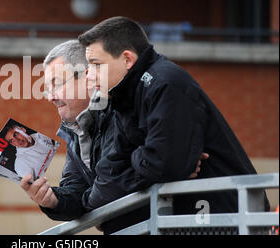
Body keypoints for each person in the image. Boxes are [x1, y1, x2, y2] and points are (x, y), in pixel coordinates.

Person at [77, 16, 269, 217]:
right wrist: (146, 156)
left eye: (96, 64)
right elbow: (109, 176)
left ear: (127, 59)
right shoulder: (126, 96)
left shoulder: (166, 83)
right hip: (192, 218)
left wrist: (139, 158)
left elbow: (164, 165)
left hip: (225, 217)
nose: (89, 75)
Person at [20, 39, 207, 234]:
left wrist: (94, 207)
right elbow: (79, 189)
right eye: (48, 89)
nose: (51, 97)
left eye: (57, 84)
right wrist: (52, 200)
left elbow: (112, 184)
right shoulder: (76, 128)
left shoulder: (121, 109)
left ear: (87, 76)